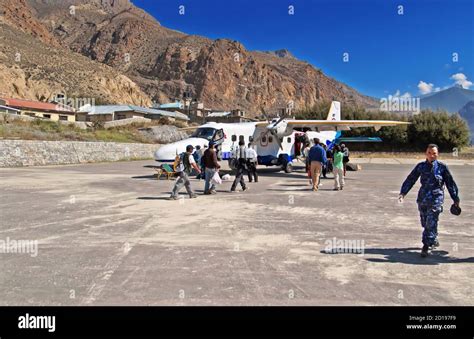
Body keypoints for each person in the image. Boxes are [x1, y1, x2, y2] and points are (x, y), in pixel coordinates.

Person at [399, 144, 460, 257]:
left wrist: (455, 199)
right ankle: (433, 237)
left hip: (436, 199)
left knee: (430, 222)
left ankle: (426, 246)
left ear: (438, 154)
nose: (432, 155)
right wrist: (403, 193)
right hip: (422, 199)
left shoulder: (442, 167)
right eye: (429, 153)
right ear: (426, 154)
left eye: (434, 153)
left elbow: (450, 184)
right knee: (425, 222)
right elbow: (411, 179)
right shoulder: (420, 166)